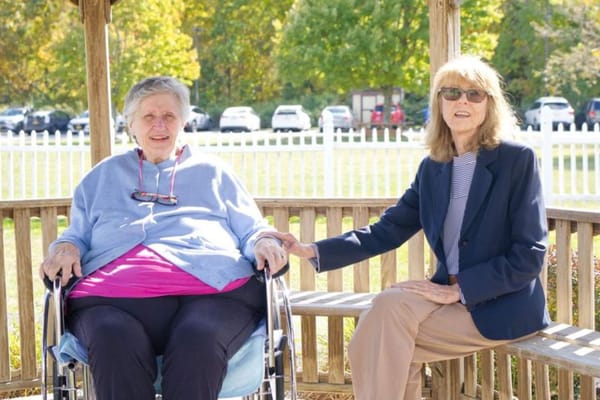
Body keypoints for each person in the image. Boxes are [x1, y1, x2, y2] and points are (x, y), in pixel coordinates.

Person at [266, 55, 550, 399]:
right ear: (439, 103)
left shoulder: (516, 160)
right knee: (386, 322)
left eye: (475, 94)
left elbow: (529, 256)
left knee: (380, 339)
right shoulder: (433, 169)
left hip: (501, 305)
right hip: (447, 299)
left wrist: (459, 290)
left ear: (489, 104)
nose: (462, 101)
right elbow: (388, 230)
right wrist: (311, 250)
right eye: (452, 93)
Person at [39, 76, 288, 400]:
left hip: (213, 294)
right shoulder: (101, 177)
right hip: (110, 300)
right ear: (130, 124)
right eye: (148, 116)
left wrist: (264, 241)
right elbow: (76, 234)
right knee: (111, 336)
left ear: (183, 121)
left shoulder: (214, 173)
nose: (160, 125)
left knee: (197, 337)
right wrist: (65, 248)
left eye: (169, 116)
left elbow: (251, 227)